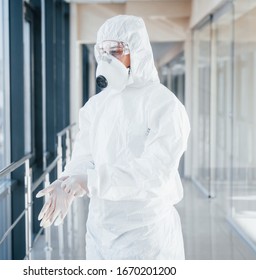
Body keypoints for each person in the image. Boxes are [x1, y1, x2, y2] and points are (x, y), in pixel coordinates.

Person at [36, 15, 190, 260]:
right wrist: (68, 182)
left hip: (147, 237)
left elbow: (154, 173)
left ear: (136, 50)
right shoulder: (96, 106)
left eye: (116, 51)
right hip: (100, 232)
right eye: (103, 51)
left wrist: (91, 182)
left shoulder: (163, 104)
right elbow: (85, 155)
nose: (108, 59)